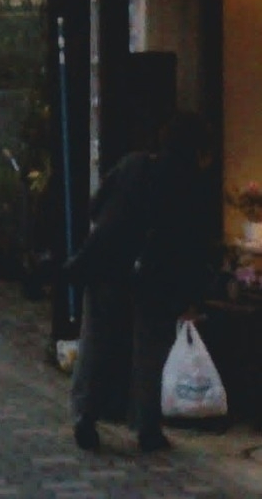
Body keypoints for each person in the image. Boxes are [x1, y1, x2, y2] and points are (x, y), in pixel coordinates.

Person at [64, 114, 209, 454]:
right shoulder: (190, 183)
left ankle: (85, 415)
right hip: (156, 278)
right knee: (149, 351)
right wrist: (192, 294)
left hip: (107, 265)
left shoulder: (134, 164)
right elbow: (192, 243)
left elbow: (96, 206)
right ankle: (146, 427)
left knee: (96, 343)